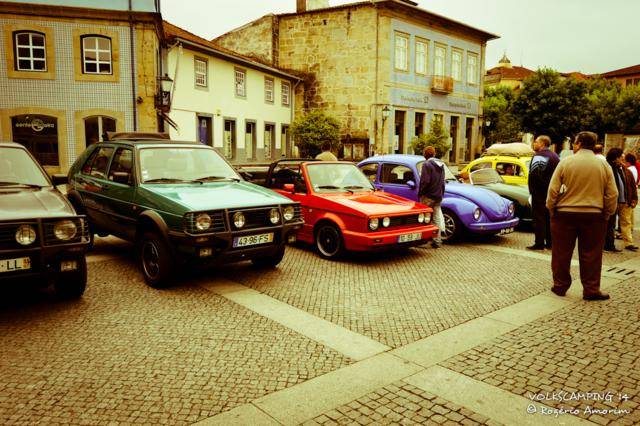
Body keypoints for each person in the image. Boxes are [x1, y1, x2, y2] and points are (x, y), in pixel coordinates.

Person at [546, 131, 618, 301]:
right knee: (592, 254)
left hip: (564, 214)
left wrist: (551, 208)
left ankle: (560, 286)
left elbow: (553, 190)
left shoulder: (566, 162)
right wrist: (607, 213)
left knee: (561, 253)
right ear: (594, 145)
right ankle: (591, 289)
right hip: (594, 215)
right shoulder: (603, 166)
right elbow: (612, 194)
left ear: (577, 144)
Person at [527, 135, 560, 250]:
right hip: (551, 192)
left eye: (536, 142)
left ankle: (539, 242)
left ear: (542, 143)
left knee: (539, 218)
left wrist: (533, 190)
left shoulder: (539, 156)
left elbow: (535, 175)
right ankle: (550, 242)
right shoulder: (555, 156)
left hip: (539, 193)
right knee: (549, 217)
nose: (534, 144)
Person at [418, 146, 445, 248]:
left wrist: (421, 192)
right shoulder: (441, 165)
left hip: (428, 196)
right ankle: (437, 240)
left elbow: (425, 181)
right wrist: (441, 194)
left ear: (425, 154)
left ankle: (423, 241)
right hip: (438, 196)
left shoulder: (426, 164)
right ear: (433, 154)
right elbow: (443, 182)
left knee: (423, 218)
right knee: (436, 218)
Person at [604, 148, 626, 253]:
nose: (623, 157)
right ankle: (607, 245)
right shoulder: (609, 167)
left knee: (612, 224)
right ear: (615, 157)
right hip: (611, 201)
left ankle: (609, 244)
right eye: (621, 156)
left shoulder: (617, 168)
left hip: (617, 201)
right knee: (609, 224)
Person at [619, 153, 638, 251]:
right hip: (618, 200)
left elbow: (632, 186)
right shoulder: (615, 170)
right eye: (621, 159)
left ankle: (629, 243)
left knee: (626, 221)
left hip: (626, 200)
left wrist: (634, 199)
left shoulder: (628, 171)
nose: (622, 161)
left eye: (623, 159)